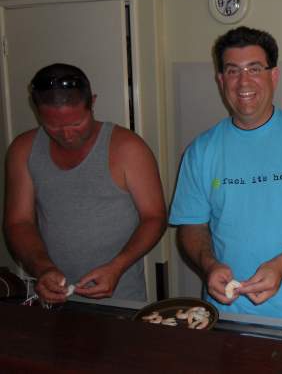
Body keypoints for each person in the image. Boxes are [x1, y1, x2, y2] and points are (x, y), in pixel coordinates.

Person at [169, 26, 282, 321]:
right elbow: (191, 226)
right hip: (226, 313)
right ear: (220, 80)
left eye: (254, 68)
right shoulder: (201, 150)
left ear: (273, 76)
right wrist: (209, 264)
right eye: (232, 71)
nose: (243, 81)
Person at [4, 63, 167, 303]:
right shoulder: (23, 149)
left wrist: (117, 266)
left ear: (93, 102)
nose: (67, 135)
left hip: (120, 297)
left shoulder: (128, 148)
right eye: (54, 127)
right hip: (54, 296)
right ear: (37, 111)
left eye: (76, 123)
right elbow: (19, 222)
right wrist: (43, 268)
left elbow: (155, 217)